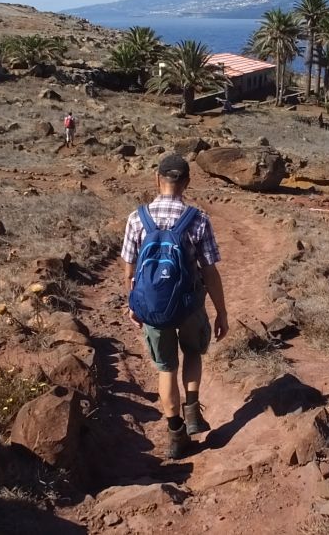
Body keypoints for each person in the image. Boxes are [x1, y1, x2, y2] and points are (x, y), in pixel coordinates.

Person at [120, 155, 229, 460]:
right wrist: (221, 311)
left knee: (166, 368)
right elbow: (210, 271)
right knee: (192, 353)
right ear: (186, 183)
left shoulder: (136, 217)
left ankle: (176, 434)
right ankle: (193, 412)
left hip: (153, 307)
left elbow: (129, 271)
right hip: (190, 303)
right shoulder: (198, 218)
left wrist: (135, 303)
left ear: (157, 179)